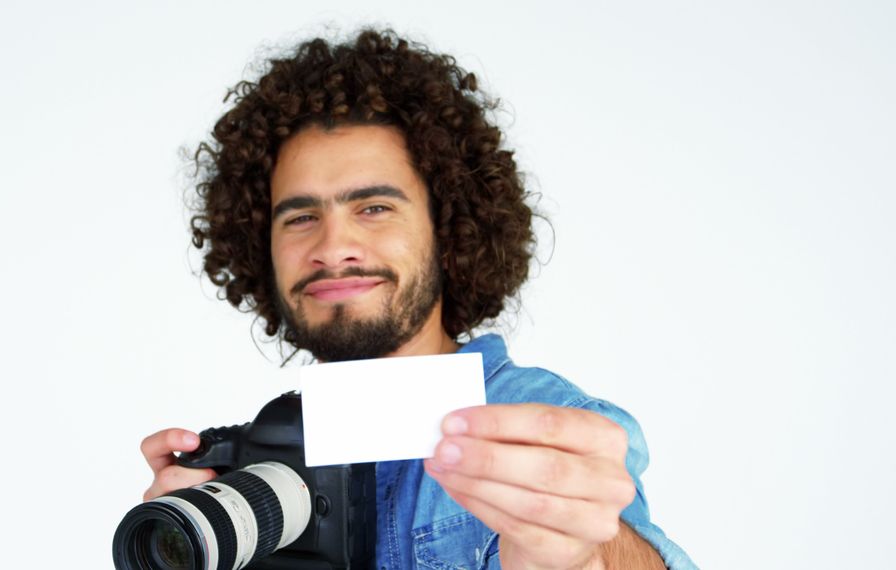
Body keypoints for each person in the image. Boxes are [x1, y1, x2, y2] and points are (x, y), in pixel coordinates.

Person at [140, 29, 696, 569]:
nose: (333, 248)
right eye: (302, 217)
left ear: (449, 229)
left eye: (374, 208)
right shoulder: (268, 449)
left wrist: (584, 556)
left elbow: (607, 547)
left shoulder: (540, 427)